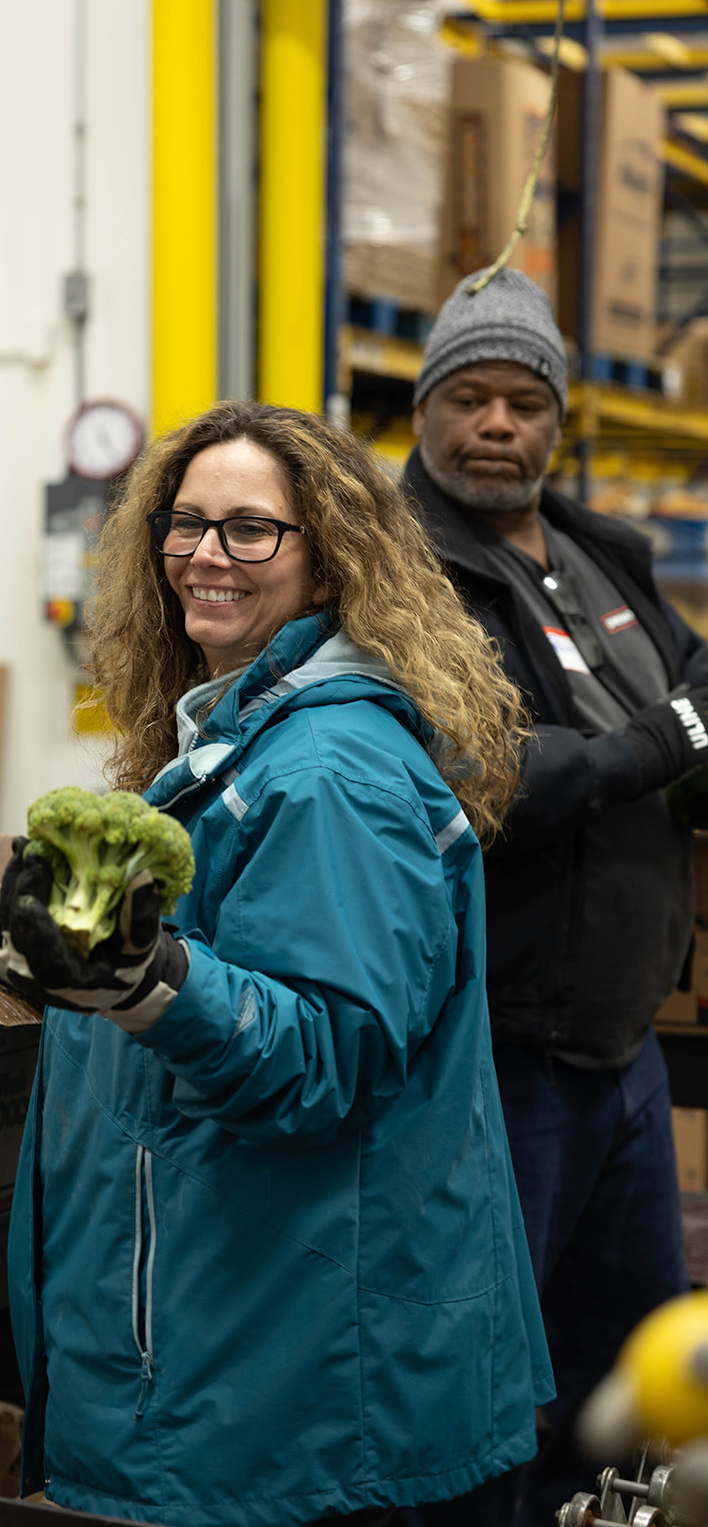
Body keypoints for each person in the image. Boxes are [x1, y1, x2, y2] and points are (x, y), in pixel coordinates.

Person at [0, 401, 553, 1527]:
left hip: (297, 1387)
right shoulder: (238, 733)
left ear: (328, 560)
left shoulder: (328, 772)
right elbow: (204, 961)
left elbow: (323, 1056)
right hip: (236, 1345)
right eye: (186, 522)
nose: (206, 553)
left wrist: (143, 976)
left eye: (251, 529)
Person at [402, 267, 708, 1526]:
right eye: (467, 396)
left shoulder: (596, 552)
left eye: (522, 402)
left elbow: (695, 678)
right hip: (499, 1057)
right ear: (423, 408)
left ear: (555, 420)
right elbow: (486, 778)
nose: (495, 425)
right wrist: (657, 743)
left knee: (630, 1392)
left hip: (622, 1049)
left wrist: (675, 725)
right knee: (484, 1399)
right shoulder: (406, 575)